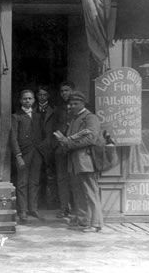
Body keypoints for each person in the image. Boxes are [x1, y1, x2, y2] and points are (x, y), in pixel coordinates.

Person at [55, 91, 103, 233]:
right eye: (70, 104)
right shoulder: (75, 118)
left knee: (90, 192)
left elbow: (91, 139)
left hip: (86, 161)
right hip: (75, 162)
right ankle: (84, 221)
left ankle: (95, 223)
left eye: (75, 103)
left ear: (83, 103)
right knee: (79, 193)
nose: (72, 106)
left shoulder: (90, 117)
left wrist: (68, 143)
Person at [10, 89, 43, 223]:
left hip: (36, 154)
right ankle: (22, 210)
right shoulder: (16, 116)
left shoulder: (38, 116)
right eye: (25, 99)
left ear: (34, 100)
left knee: (34, 182)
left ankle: (33, 208)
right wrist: (18, 155)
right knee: (22, 182)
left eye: (30, 98)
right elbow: (13, 138)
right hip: (23, 154)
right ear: (20, 101)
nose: (27, 101)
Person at [53, 80, 75, 218]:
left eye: (66, 90)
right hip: (61, 147)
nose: (64, 93)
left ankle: (76, 209)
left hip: (75, 147)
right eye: (62, 91)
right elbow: (54, 126)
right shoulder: (59, 108)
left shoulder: (80, 107)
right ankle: (64, 207)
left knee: (75, 178)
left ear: (72, 91)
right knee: (62, 179)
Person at [36, 85, 58, 209]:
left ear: (48, 96)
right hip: (36, 147)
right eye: (40, 95)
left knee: (50, 176)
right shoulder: (33, 110)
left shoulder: (54, 110)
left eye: (44, 95)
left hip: (49, 147)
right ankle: (38, 203)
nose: (42, 97)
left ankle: (50, 203)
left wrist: (52, 143)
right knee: (37, 176)